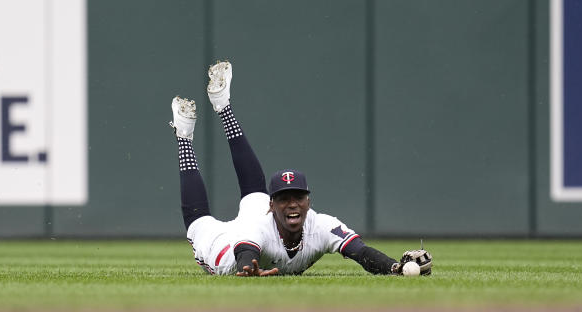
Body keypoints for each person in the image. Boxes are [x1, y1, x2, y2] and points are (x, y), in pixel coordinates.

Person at [169, 61, 431, 276]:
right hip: (224, 249)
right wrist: (248, 271)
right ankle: (184, 135)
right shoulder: (258, 229)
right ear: (272, 206)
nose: (292, 203)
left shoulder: (321, 226)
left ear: (308, 201)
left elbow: (360, 252)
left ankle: (223, 106)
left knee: (254, 191)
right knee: (198, 223)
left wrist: (395, 268)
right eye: (283, 198)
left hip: (258, 219)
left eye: (297, 196)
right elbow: (245, 256)